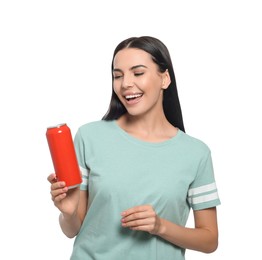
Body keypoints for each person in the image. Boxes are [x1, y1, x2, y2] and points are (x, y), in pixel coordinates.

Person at [47, 36, 221, 260]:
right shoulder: (89, 137)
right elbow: (72, 229)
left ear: (165, 78)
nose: (125, 83)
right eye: (117, 75)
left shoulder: (196, 154)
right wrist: (69, 214)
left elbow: (209, 240)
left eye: (138, 73)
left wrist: (160, 226)